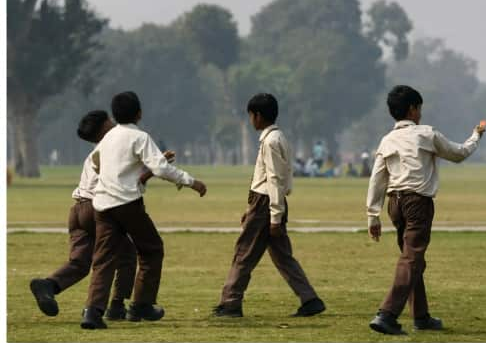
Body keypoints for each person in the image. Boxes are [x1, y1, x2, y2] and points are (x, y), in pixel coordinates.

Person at [365, 85, 486, 336]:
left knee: (412, 260)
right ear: (412, 109)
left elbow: (377, 177)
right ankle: (386, 314)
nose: (420, 112)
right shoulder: (426, 134)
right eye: (419, 108)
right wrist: (476, 136)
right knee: (411, 259)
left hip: (394, 204)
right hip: (417, 202)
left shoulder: (387, 139)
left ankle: (421, 316)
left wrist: (372, 214)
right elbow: (458, 153)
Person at [81, 91, 208, 330]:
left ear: (115, 115)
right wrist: (192, 182)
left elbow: (96, 163)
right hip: (127, 204)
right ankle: (141, 304)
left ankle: (92, 312)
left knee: (104, 259)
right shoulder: (139, 137)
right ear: (139, 113)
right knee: (151, 250)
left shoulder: (107, 138)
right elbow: (161, 168)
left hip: (102, 205)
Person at [213, 93, 326, 318]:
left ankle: (231, 303)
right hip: (270, 201)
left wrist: (274, 216)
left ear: (258, 116)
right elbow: (284, 176)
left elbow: (274, 178)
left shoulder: (271, 141)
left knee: (244, 253)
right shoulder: (278, 137)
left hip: (265, 203)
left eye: (251, 116)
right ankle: (310, 299)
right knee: (282, 256)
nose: (250, 121)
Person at [30, 110, 140, 320]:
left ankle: (48, 285)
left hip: (77, 210)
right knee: (125, 254)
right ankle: (116, 306)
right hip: (97, 209)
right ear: (104, 128)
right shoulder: (111, 151)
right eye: (110, 122)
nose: (115, 124)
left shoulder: (93, 153)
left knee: (80, 263)